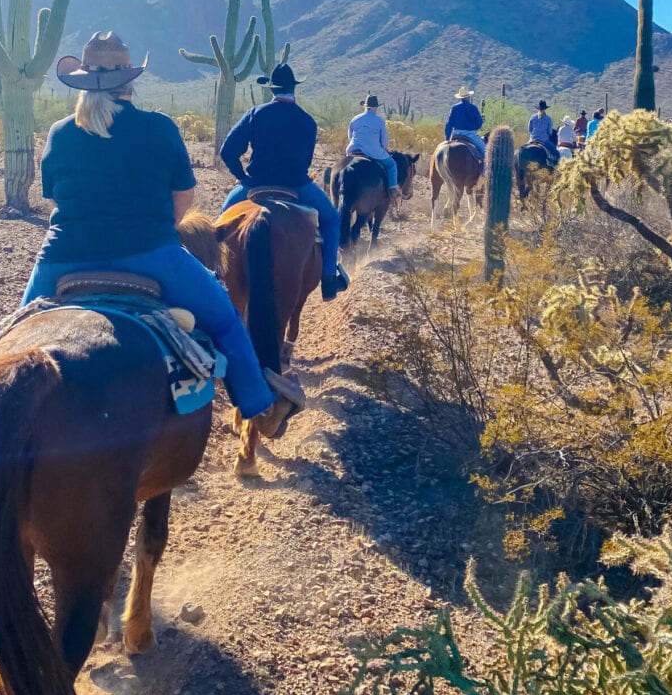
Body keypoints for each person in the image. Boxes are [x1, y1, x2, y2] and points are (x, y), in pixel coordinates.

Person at [21, 32, 290, 430]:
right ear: (129, 81)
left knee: (16, 331)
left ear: (82, 80)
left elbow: (56, 199)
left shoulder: (61, 132)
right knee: (226, 320)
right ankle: (259, 407)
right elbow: (183, 200)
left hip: (63, 257)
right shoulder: (159, 127)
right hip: (152, 253)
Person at [219, 61, 349, 301]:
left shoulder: (255, 114)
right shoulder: (307, 121)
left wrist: (242, 177)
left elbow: (227, 150)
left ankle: (217, 275)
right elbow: (306, 159)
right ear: (294, 88)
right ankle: (329, 279)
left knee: (222, 221)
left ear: (272, 90)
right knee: (331, 220)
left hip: (255, 183)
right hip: (297, 185)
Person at [345, 95, 400, 198]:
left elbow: (350, 136)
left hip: (353, 150)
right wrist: (383, 148)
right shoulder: (379, 121)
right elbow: (384, 141)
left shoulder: (355, 119)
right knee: (392, 165)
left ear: (365, 106)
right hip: (374, 152)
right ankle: (392, 189)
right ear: (375, 107)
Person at [444, 85, 485, 162]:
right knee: (486, 151)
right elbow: (479, 124)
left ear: (460, 98)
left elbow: (449, 125)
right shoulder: (473, 108)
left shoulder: (454, 108)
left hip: (456, 134)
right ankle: (484, 172)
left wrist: (447, 139)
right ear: (468, 97)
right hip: (470, 135)